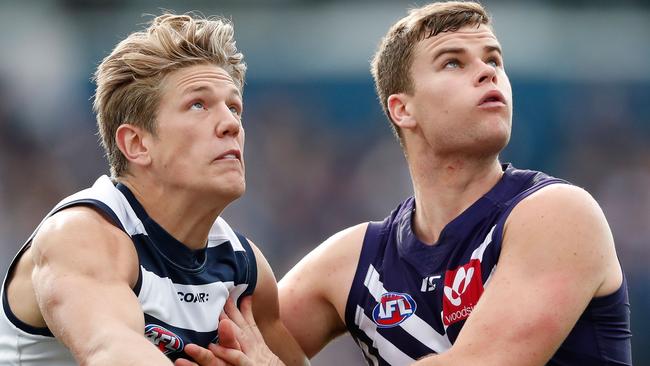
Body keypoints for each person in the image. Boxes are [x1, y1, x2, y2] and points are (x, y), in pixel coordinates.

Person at [202, 2, 633, 365]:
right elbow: (217, 341)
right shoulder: (354, 263)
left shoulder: (558, 214)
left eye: (494, 60)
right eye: (453, 62)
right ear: (402, 109)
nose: (487, 73)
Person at [0, 13, 307, 366]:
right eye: (198, 104)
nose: (230, 124)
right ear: (137, 143)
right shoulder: (82, 235)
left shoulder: (244, 269)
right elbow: (110, 353)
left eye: (234, 107)